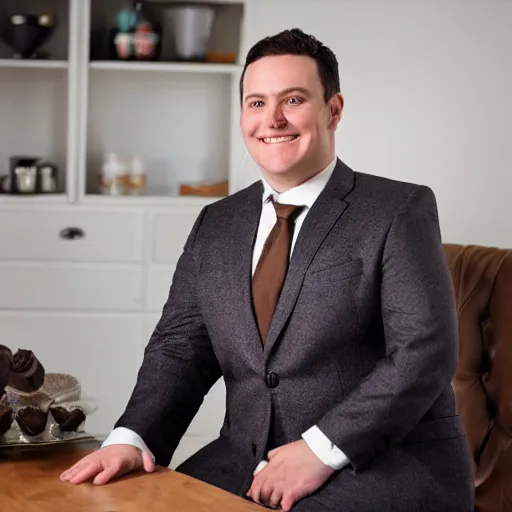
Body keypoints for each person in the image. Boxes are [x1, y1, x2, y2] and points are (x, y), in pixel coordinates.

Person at [61, 28, 474, 511]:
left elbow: (422, 352)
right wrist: (133, 438)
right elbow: (182, 348)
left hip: (381, 468)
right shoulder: (217, 223)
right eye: (256, 103)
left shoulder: (398, 209)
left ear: (333, 110)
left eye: (293, 99)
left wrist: (321, 449)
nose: (272, 119)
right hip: (242, 464)